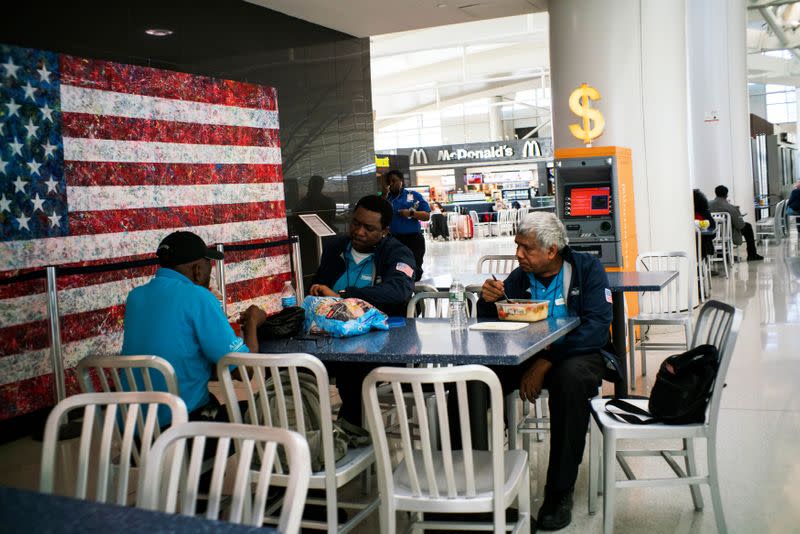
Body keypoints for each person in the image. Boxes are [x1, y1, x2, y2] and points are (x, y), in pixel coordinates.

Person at [478, 212, 614, 531]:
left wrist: (546, 360)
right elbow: (497, 324)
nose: (518, 255)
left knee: (570, 382)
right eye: (517, 247)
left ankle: (558, 493)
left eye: (526, 248)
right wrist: (488, 301)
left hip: (579, 354)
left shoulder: (586, 270)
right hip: (528, 354)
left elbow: (597, 327)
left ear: (552, 251)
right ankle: (470, 484)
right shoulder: (521, 277)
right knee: (475, 379)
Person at [122, 231, 267, 424]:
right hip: (182, 427)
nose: (210, 273)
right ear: (198, 269)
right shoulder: (198, 296)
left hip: (135, 427)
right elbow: (245, 370)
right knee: (264, 408)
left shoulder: (135, 297)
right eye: (210, 266)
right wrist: (252, 323)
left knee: (213, 401)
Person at [309, 194, 415, 423]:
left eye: (369, 228)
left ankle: (351, 434)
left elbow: (399, 291)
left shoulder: (398, 253)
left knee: (352, 369)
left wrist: (344, 297)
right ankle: (307, 430)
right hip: (331, 335)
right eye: (356, 223)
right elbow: (320, 284)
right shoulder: (335, 248)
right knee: (298, 365)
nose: (359, 232)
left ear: (385, 230)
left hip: (380, 341)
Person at [385, 169, 430, 280]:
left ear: (401, 181)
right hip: (394, 240)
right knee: (396, 268)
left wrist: (411, 213)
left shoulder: (413, 196)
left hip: (413, 239)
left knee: (415, 268)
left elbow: (426, 216)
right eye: (389, 181)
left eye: (394, 180)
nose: (391, 184)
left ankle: (415, 292)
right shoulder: (386, 198)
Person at [708, 185, 763, 261]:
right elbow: (740, 225)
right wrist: (739, 214)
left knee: (723, 229)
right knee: (748, 227)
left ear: (716, 193)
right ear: (726, 195)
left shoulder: (708, 205)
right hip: (727, 233)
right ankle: (752, 254)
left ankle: (722, 254)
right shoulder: (731, 207)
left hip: (712, 232)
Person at [693, 189, 717, 259]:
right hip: (703, 243)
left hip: (698, 243)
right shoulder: (705, 212)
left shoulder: (685, 215)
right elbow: (713, 231)